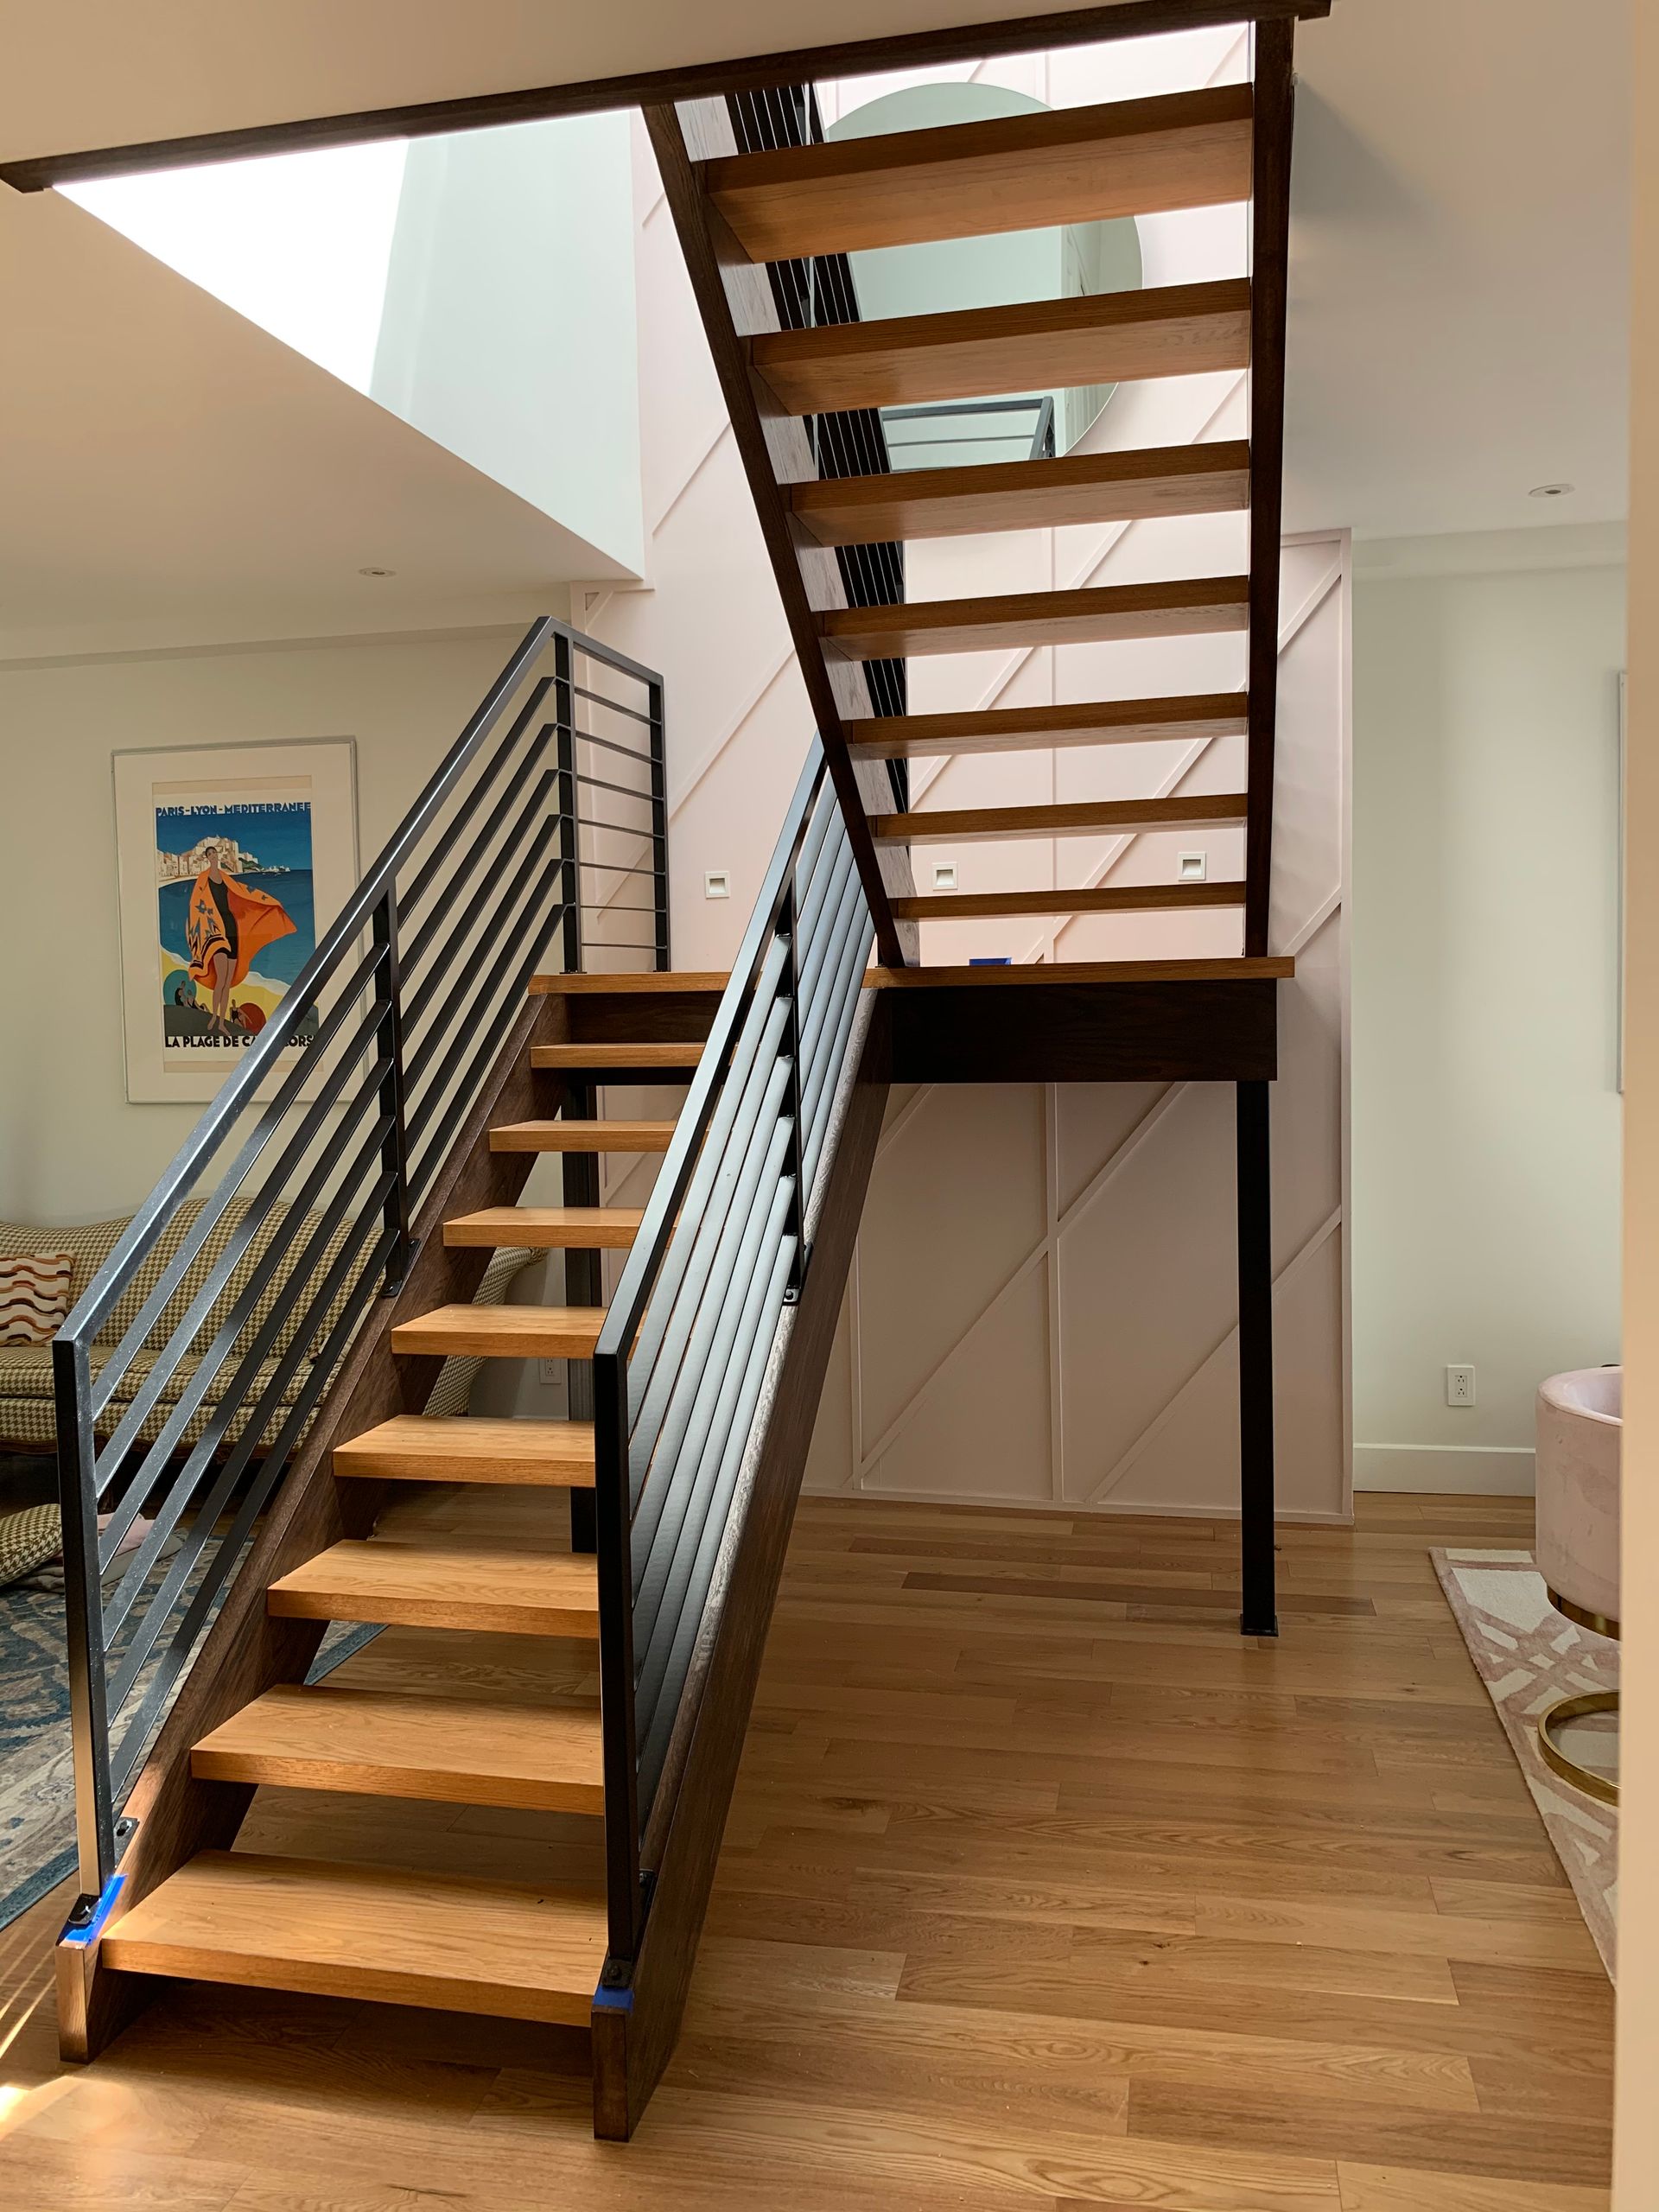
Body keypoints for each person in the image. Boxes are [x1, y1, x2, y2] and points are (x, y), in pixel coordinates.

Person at [184, 840, 296, 1039]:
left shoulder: (226, 878)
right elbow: (195, 906)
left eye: (215, 855)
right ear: (207, 858)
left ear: (218, 857)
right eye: (209, 856)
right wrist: (194, 932)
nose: (213, 858)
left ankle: (220, 1022)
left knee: (227, 981)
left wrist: (269, 903)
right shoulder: (203, 879)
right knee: (220, 980)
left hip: (232, 929)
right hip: (216, 932)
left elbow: (244, 893)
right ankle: (213, 1016)